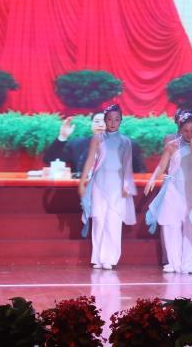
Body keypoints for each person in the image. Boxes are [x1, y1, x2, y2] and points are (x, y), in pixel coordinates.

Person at [78, 104, 136, 270]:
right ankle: (97, 257)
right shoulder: (98, 139)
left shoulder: (125, 141)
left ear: (121, 121)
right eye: (109, 119)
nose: (113, 123)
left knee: (113, 221)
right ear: (105, 120)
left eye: (116, 119)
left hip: (117, 184)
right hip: (99, 183)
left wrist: (126, 185)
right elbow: (90, 160)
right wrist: (82, 182)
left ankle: (110, 258)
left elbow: (127, 165)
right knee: (98, 219)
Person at [144, 111, 192, 274]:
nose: (189, 134)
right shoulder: (172, 145)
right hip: (173, 189)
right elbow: (162, 166)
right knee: (171, 225)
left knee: (191, 226)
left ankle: (188, 263)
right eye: (186, 130)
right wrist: (152, 179)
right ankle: (174, 262)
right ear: (180, 129)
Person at [44, 112, 147, 176]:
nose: (101, 125)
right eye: (97, 121)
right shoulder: (77, 145)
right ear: (91, 125)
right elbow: (49, 160)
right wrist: (62, 136)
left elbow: (139, 173)